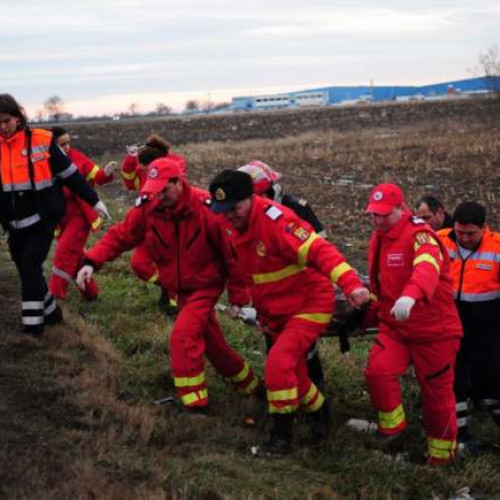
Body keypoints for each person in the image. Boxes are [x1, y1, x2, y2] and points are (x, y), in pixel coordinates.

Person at [76, 158, 259, 413]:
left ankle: (195, 403)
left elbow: (232, 255)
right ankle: (251, 386)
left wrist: (239, 296)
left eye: (165, 189)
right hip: (180, 288)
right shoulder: (149, 207)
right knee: (215, 345)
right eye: (156, 190)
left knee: (183, 336)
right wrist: (91, 262)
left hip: (206, 285)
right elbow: (122, 235)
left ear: (178, 182)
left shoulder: (207, 208)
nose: (160, 195)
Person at [208, 169, 370, 457]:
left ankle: (281, 439)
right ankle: (321, 412)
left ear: (251, 198)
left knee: (278, 364)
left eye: (235, 208)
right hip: (275, 310)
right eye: (225, 210)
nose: (230, 215)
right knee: (293, 371)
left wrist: (351, 284)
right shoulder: (231, 223)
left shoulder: (278, 221)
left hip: (309, 304)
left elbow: (321, 251)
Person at [364, 183, 462, 465]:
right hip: (396, 327)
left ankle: (442, 457)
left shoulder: (420, 235)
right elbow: (381, 284)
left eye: (383, 214)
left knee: (437, 396)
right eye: (373, 214)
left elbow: (427, 267)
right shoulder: (380, 237)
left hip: (434, 331)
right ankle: (393, 432)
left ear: (400, 208)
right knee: (377, 372)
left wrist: (410, 297)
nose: (377, 220)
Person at [0, 94, 109, 335]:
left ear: (18, 117)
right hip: (13, 225)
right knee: (29, 272)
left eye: (6, 121)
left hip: (42, 222)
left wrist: (94, 200)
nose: (3, 127)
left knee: (29, 268)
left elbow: (71, 174)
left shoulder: (42, 140)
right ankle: (52, 312)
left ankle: (33, 329)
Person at [237, 160, 327, 389]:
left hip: (301, 293)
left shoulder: (296, 209)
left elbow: (321, 250)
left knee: (304, 348)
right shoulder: (244, 218)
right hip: (269, 296)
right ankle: (285, 387)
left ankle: (314, 389)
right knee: (274, 344)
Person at [437, 201, 500, 448]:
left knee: (494, 379)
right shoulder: (441, 240)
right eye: (460, 232)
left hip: (489, 327)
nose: (464, 238)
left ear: (484, 227)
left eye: (470, 233)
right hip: (451, 323)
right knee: (454, 378)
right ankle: (459, 434)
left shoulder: (497, 248)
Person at [120, 135, 186, 315]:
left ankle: (177, 308)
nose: (140, 169)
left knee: (173, 266)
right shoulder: (146, 169)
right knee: (139, 264)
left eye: (143, 166)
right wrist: (130, 158)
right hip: (148, 225)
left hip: (170, 228)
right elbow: (130, 183)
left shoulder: (174, 168)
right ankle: (165, 287)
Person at [48, 126, 116, 301]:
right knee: (75, 256)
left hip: (79, 216)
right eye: (61, 144)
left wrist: (106, 173)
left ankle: (54, 297)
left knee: (63, 254)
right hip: (57, 218)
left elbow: (97, 175)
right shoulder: (44, 162)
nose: (67, 147)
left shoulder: (77, 158)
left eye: (68, 143)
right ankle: (91, 291)